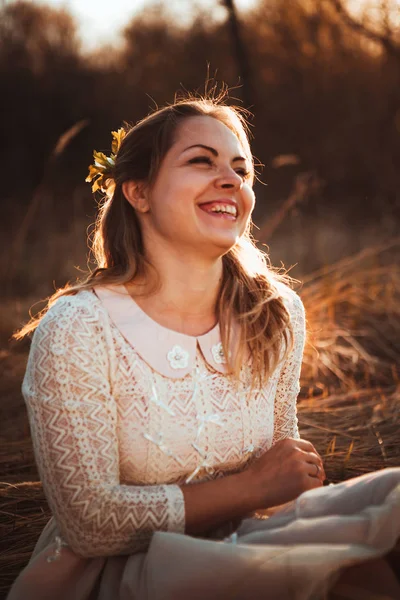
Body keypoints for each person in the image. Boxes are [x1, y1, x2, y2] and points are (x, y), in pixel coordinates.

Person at [7, 96, 400, 600]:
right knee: (348, 579)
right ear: (139, 192)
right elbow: (91, 523)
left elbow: (284, 471)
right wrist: (252, 490)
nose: (231, 180)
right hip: (124, 571)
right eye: (201, 161)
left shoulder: (275, 312)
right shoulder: (81, 327)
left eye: (241, 170)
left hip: (248, 540)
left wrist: (311, 515)